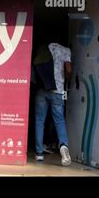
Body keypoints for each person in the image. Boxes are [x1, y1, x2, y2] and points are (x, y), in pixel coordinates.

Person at [33, 36, 72, 166]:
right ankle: (63, 145)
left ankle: (39, 154)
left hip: (42, 89)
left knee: (40, 121)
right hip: (58, 90)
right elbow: (68, 69)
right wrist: (66, 80)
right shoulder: (65, 50)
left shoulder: (44, 49)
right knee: (59, 120)